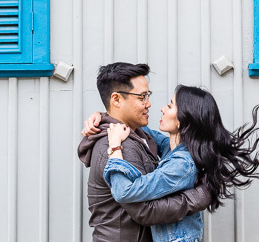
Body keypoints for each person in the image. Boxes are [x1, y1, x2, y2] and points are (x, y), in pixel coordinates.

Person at [84, 85, 259, 242]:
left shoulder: (182, 164)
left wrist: (115, 147)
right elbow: (134, 125)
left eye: (170, 105)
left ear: (183, 119)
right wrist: (102, 116)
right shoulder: (171, 148)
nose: (162, 109)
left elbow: (126, 191)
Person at [77, 62, 211, 242]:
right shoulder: (120, 145)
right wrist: (198, 197)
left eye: (148, 95)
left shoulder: (136, 135)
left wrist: (101, 115)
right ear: (116, 99)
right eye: (142, 97)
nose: (149, 104)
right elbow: (145, 211)